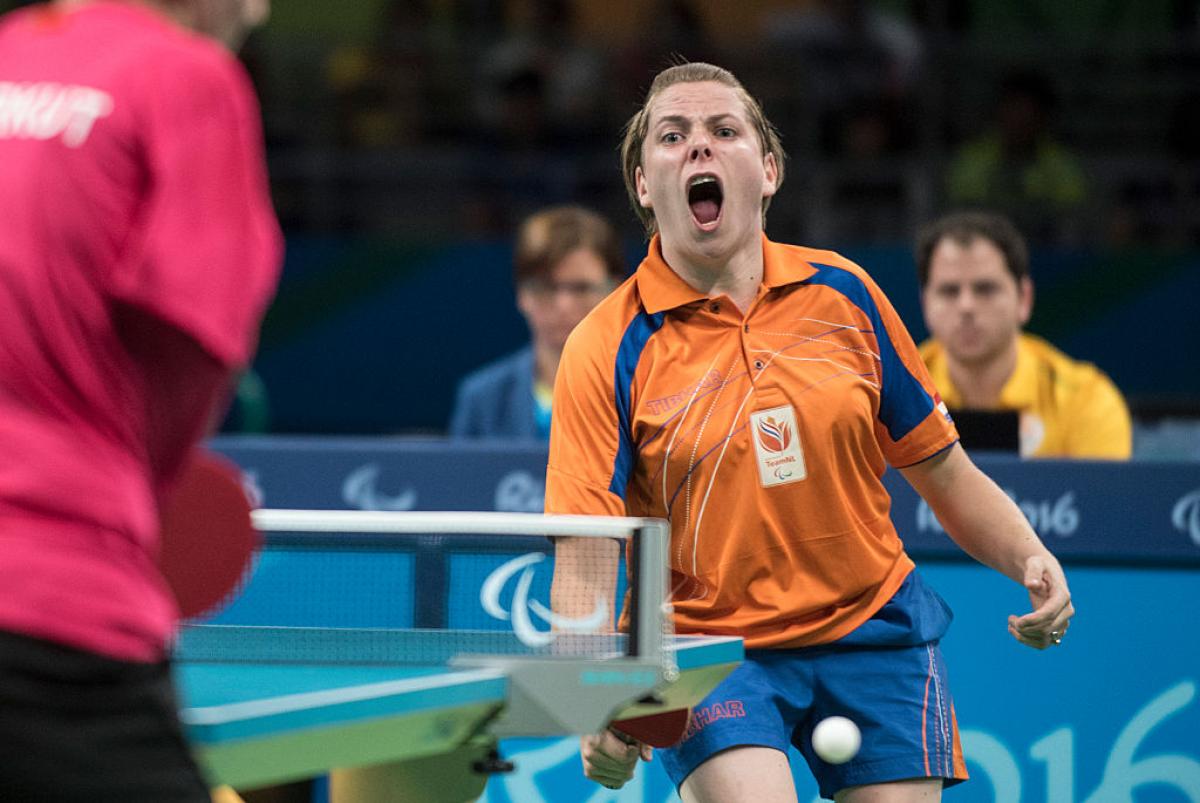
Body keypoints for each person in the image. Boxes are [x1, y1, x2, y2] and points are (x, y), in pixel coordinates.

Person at [546, 62, 1074, 802]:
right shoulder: (607, 345)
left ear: (768, 170)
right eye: (673, 136)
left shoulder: (845, 295)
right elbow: (587, 552)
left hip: (871, 625)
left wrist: (1029, 554)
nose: (699, 146)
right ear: (643, 184)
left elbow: (943, 469)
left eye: (724, 130)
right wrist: (589, 695)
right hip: (707, 646)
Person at [0, 1, 280, 801]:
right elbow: (197, 343)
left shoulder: (10, 50)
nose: (256, 12)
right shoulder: (187, 78)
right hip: (51, 612)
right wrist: (124, 496)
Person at [915, 211, 1132, 459]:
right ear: (925, 304)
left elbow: (1103, 496)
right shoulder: (888, 397)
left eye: (985, 289)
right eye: (949, 291)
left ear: (1024, 299)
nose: (966, 306)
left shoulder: (1087, 401)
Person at [448, 205, 625, 439]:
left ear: (616, 290)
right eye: (545, 287)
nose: (564, 305)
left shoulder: (647, 390)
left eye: (581, 288)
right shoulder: (481, 398)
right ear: (522, 294)